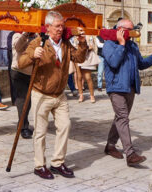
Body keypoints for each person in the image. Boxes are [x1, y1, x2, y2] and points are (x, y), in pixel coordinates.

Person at [17, 11, 87, 180]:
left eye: (62, 26)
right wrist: (33, 56)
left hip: (59, 95)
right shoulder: (38, 42)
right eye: (57, 26)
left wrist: (82, 43)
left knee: (65, 126)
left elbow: (79, 58)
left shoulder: (65, 44)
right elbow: (20, 63)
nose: (60, 29)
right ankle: (39, 166)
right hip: (41, 94)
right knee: (40, 132)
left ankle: (57, 163)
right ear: (47, 27)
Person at [102, 18, 152, 167]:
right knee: (123, 117)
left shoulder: (133, 46)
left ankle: (110, 145)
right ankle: (130, 153)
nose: (133, 32)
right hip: (116, 87)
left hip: (131, 87)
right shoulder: (108, 44)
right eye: (129, 30)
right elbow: (114, 62)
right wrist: (121, 44)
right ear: (120, 30)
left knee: (121, 117)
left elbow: (140, 64)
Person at [10, 31, 37, 139]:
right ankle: (23, 128)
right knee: (23, 100)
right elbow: (18, 47)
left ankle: (23, 123)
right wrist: (26, 34)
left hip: (32, 72)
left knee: (29, 101)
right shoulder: (17, 35)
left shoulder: (36, 36)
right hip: (19, 71)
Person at [73, 34, 100, 103]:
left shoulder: (90, 36)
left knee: (88, 77)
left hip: (87, 57)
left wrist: (85, 47)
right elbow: (74, 46)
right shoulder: (76, 36)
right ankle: (81, 95)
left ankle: (92, 95)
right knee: (79, 77)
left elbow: (92, 46)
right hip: (78, 56)